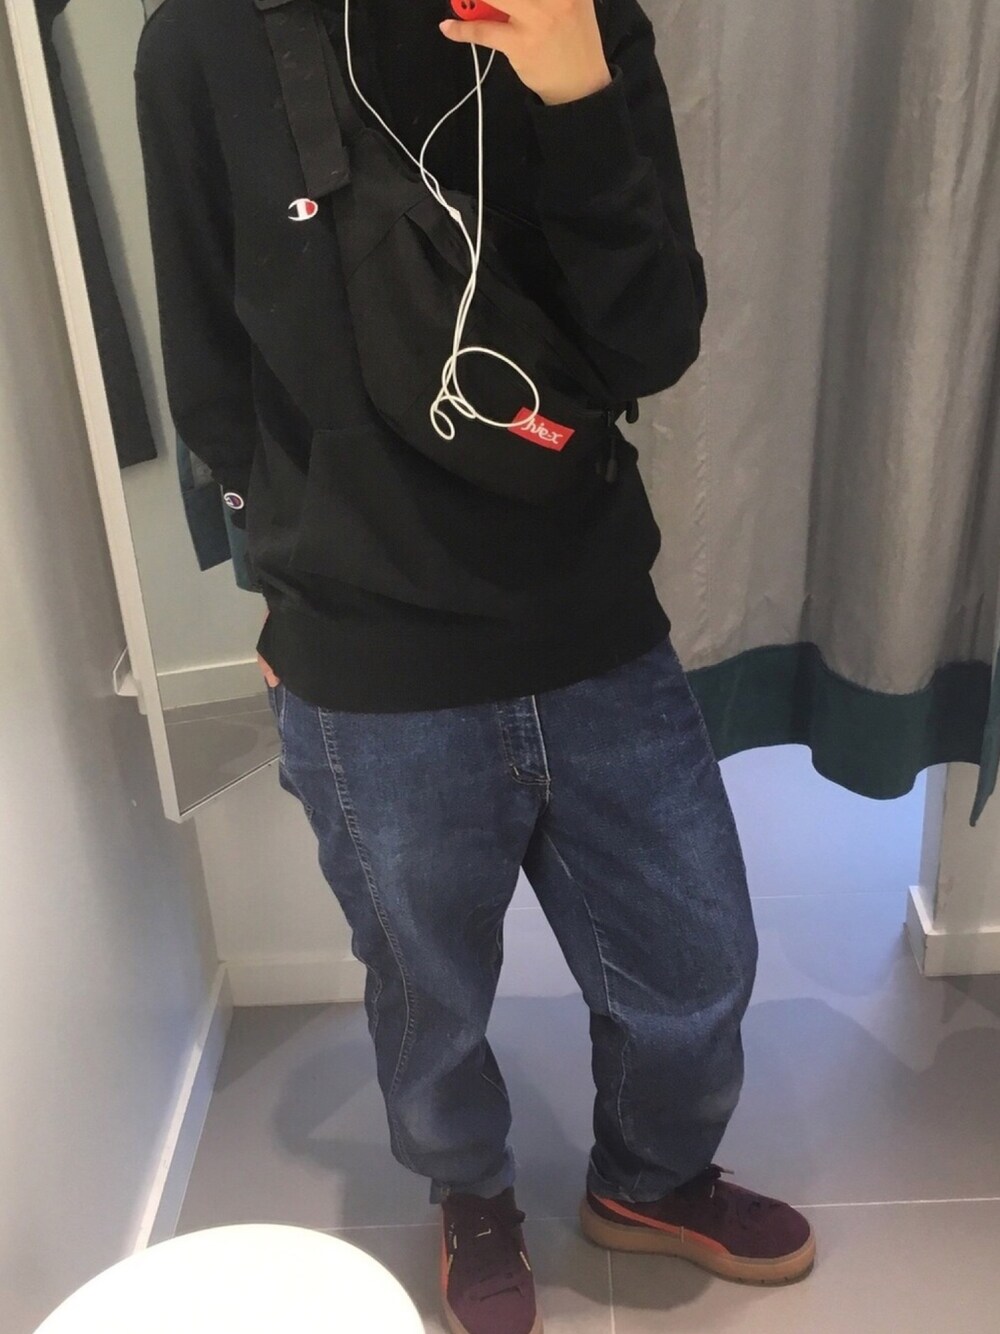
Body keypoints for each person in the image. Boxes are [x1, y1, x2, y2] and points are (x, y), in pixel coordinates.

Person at [135, 0, 816, 1330]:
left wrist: (575, 95)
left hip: (587, 608)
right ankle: (472, 1194)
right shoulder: (202, 40)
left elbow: (654, 337)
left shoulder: (579, 14)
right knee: (426, 988)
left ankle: (651, 1180)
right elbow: (209, 362)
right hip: (362, 650)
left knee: (696, 954)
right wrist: (285, 597)